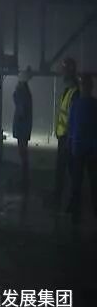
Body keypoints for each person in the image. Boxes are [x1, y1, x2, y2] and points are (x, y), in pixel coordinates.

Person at [67, 73, 97, 224]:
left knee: (77, 181)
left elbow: (71, 126)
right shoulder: (94, 105)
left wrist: (70, 143)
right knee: (93, 181)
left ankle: (75, 209)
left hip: (79, 148)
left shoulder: (76, 104)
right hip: (91, 148)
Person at [54, 57, 79, 209]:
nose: (62, 73)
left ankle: (72, 202)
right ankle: (60, 199)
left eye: (64, 70)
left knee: (70, 171)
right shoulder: (68, 91)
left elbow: (73, 118)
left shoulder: (74, 92)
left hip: (68, 138)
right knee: (63, 170)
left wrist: (69, 137)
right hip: (63, 137)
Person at [12, 66, 33, 193]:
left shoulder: (22, 93)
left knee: (23, 153)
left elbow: (21, 110)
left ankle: (24, 180)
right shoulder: (25, 92)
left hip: (22, 129)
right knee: (23, 153)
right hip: (23, 128)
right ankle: (24, 178)